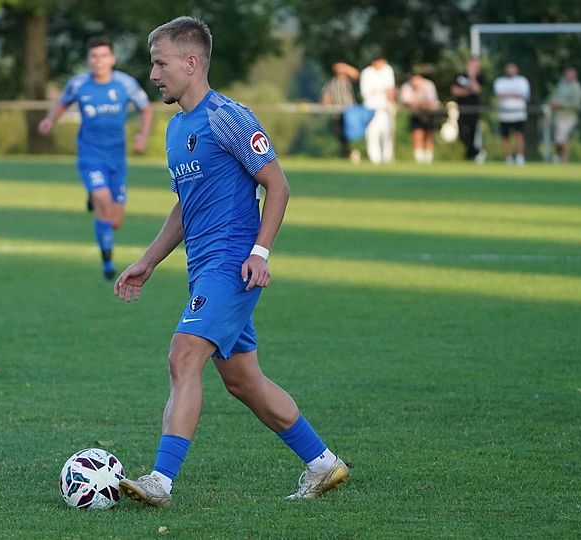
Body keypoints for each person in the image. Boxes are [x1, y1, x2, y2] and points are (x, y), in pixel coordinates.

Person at [113, 16, 348, 508]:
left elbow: (277, 185)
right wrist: (149, 260)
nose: (153, 75)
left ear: (191, 62)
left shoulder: (228, 117)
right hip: (203, 268)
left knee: (183, 355)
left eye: (160, 64)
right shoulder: (177, 128)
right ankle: (323, 463)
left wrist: (260, 253)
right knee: (243, 381)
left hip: (233, 265)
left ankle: (160, 481)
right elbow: (185, 207)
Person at [38, 36, 153, 280]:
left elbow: (145, 108)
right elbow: (62, 103)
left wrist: (142, 136)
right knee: (103, 200)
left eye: (103, 56)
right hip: (90, 155)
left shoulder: (125, 84)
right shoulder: (78, 84)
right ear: (88, 60)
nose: (98, 60)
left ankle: (95, 196)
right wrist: (50, 120)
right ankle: (108, 262)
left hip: (117, 158)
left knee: (115, 221)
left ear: (112, 59)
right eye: (93, 56)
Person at [359, 56, 396, 164]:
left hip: (385, 108)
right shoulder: (366, 73)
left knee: (387, 133)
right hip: (371, 109)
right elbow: (365, 93)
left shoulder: (387, 70)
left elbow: (390, 89)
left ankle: (387, 157)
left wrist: (392, 103)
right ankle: (375, 158)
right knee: (372, 133)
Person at [320, 62, 360, 162]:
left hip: (350, 113)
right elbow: (326, 95)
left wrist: (345, 67)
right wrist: (326, 103)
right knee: (338, 133)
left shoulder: (348, 82)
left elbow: (356, 74)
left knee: (350, 133)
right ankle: (346, 153)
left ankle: (352, 151)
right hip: (337, 113)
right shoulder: (331, 82)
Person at [493, 62, 530, 166]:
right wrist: (514, 94)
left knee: (519, 135)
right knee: (505, 136)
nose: (510, 70)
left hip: (519, 113)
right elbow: (499, 95)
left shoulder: (522, 81)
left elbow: (524, 95)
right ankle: (508, 157)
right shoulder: (500, 81)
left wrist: (507, 94)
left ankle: (520, 157)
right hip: (504, 114)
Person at [399, 71, 439, 164]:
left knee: (428, 135)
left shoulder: (428, 85)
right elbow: (405, 101)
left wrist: (417, 103)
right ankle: (419, 159)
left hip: (429, 113)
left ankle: (428, 158)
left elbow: (431, 101)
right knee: (417, 134)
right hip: (416, 113)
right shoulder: (407, 86)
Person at [450, 57, 486, 162]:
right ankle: (476, 152)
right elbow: (455, 91)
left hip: (474, 110)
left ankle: (470, 155)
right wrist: (469, 91)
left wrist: (472, 77)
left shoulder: (479, 77)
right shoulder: (460, 76)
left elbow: (477, 89)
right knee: (461, 134)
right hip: (462, 109)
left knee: (472, 134)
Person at [548, 66, 581, 163]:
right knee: (558, 139)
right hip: (558, 116)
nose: (567, 75)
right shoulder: (562, 85)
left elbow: (576, 104)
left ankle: (564, 159)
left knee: (562, 138)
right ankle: (557, 157)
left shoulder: (577, 88)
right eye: (566, 73)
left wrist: (560, 105)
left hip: (569, 116)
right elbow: (554, 96)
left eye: (570, 73)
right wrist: (552, 103)